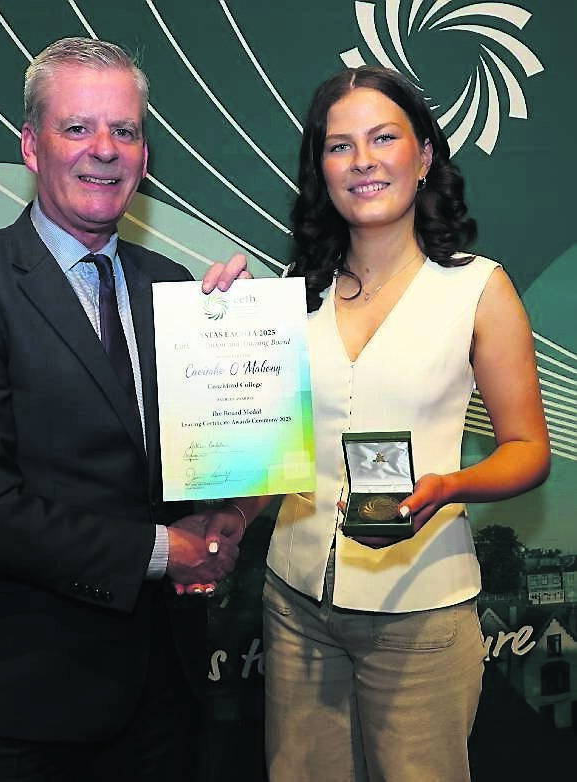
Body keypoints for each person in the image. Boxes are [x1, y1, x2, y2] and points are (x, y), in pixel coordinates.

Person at [0, 37, 248, 782]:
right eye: (77, 127)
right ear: (32, 146)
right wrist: (167, 550)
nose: (105, 150)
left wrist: (244, 347)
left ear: (145, 156)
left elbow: (195, 469)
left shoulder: (176, 289)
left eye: (124, 130)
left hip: (163, 699)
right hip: (21, 716)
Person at [210, 66, 551, 781]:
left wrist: (447, 486)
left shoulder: (478, 288)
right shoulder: (291, 296)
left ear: (423, 156)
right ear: (322, 170)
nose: (362, 160)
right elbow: (276, 449)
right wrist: (221, 322)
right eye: (340, 146)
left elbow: (526, 450)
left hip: (421, 608)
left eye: (383, 138)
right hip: (295, 604)